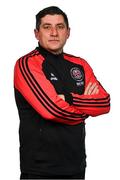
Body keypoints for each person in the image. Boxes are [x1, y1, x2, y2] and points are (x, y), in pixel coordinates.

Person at [14, 6, 110, 179]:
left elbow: (104, 103)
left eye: (60, 27)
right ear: (36, 33)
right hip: (40, 170)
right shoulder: (27, 64)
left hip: (77, 166)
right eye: (47, 27)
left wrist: (68, 99)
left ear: (68, 32)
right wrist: (86, 109)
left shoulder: (79, 65)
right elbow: (52, 110)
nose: (54, 32)